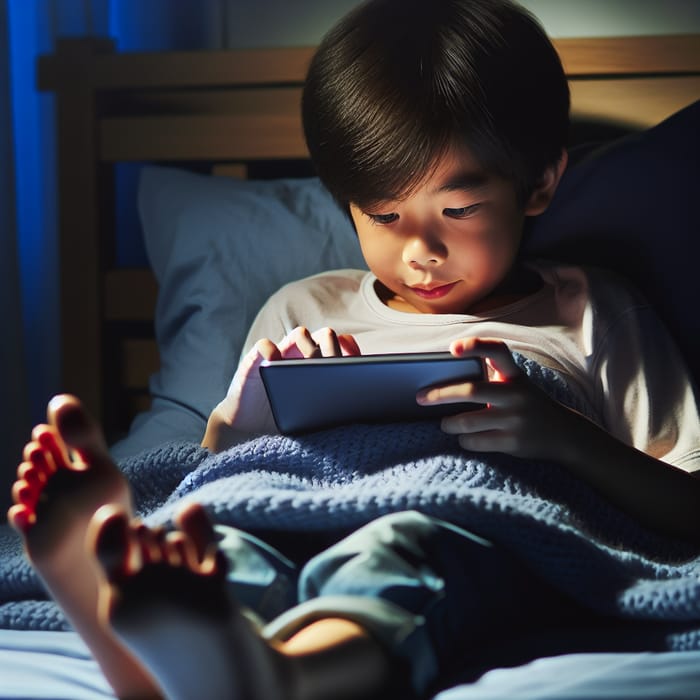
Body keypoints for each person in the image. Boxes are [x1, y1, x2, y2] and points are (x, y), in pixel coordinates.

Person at [8, 1, 700, 699]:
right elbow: (224, 467)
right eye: (384, 216)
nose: (421, 252)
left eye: (457, 211)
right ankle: (162, 640)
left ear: (540, 183)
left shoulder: (593, 311)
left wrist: (564, 438)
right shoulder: (300, 306)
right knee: (228, 542)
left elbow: (688, 504)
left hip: (465, 510)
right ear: (349, 203)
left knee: (401, 548)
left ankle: (284, 675)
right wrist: (243, 423)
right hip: (288, 495)